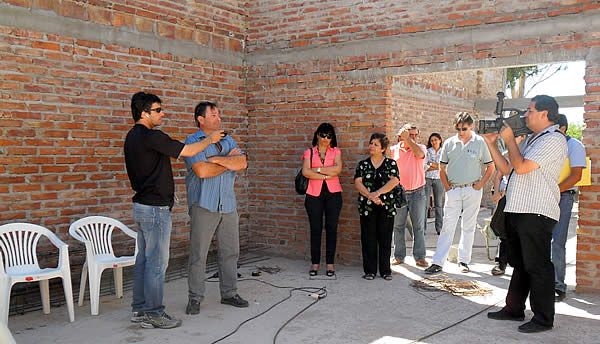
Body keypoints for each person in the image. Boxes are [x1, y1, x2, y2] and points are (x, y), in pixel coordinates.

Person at [125, 92, 222, 329]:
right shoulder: (150, 136)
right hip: (155, 210)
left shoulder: (131, 136)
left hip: (142, 206)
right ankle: (154, 313)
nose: (163, 113)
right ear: (145, 113)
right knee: (157, 264)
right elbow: (187, 150)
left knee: (144, 262)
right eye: (158, 110)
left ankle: (139, 309)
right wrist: (210, 140)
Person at [484, 95, 567, 333]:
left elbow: (521, 167)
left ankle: (543, 318)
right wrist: (492, 143)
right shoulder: (533, 139)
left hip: (537, 210)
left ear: (544, 113)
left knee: (538, 265)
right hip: (519, 208)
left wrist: (510, 139)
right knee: (520, 263)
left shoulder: (553, 139)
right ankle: (513, 309)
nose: (525, 115)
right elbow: (508, 168)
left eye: (529, 111)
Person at [184, 101, 249, 315]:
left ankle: (229, 293)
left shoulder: (227, 139)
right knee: (198, 254)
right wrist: (228, 161)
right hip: (204, 204)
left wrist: (216, 160)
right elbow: (202, 171)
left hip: (228, 204)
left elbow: (243, 163)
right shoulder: (193, 141)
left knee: (230, 252)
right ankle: (195, 297)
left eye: (218, 114)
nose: (218, 118)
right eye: (213, 115)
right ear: (200, 119)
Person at [425, 112, 494, 274]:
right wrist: (448, 188)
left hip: (472, 189)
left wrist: (480, 185)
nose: (460, 132)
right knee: (448, 226)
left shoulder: (480, 142)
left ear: (471, 126)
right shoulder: (449, 143)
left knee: (468, 226)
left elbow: (490, 167)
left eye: (463, 128)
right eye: (458, 129)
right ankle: (438, 262)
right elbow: (441, 168)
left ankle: (464, 261)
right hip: (453, 189)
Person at [354, 133, 400, 281]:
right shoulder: (363, 164)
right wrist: (370, 196)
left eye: (375, 144)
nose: (371, 146)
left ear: (383, 148)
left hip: (386, 206)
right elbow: (357, 182)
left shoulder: (391, 164)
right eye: (371, 143)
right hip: (367, 206)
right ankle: (370, 270)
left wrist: (378, 193)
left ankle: (385, 270)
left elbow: (394, 181)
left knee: (385, 239)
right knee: (368, 238)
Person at [302, 123, 343, 277]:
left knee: (332, 228)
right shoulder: (309, 152)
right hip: (313, 194)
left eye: (329, 136)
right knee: (316, 228)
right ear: (318, 135)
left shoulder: (336, 151)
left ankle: (330, 263)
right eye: (324, 135)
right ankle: (315, 263)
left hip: (334, 193)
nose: (326, 138)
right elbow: (306, 172)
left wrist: (317, 170)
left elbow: (338, 169)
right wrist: (326, 174)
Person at [552, 114, 586, 302]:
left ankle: (558, 285)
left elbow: (576, 175)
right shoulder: (548, 145)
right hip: (544, 196)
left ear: (562, 129)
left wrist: (554, 191)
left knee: (556, 242)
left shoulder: (574, 146)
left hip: (563, 197)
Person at [390, 124, 429, 268]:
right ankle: (399, 256)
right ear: (401, 136)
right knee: (398, 226)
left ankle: (420, 257)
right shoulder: (394, 150)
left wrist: (409, 140)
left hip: (417, 192)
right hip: (400, 193)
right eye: (410, 135)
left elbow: (419, 155)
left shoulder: (421, 148)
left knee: (418, 226)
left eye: (415, 135)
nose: (413, 137)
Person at [490, 135, 527, 276]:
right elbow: (499, 176)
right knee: (503, 231)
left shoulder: (528, 153)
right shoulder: (507, 155)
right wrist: (497, 193)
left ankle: (521, 264)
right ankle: (501, 263)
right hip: (506, 198)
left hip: (523, 198)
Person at [424, 133, 444, 235]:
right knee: (425, 204)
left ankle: (439, 227)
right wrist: (437, 165)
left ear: (440, 140)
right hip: (427, 178)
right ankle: (423, 229)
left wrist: (431, 164)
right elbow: (425, 165)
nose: (434, 142)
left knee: (439, 204)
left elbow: (444, 166)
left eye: (436, 140)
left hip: (439, 179)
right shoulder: (427, 151)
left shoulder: (444, 151)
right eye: (432, 140)